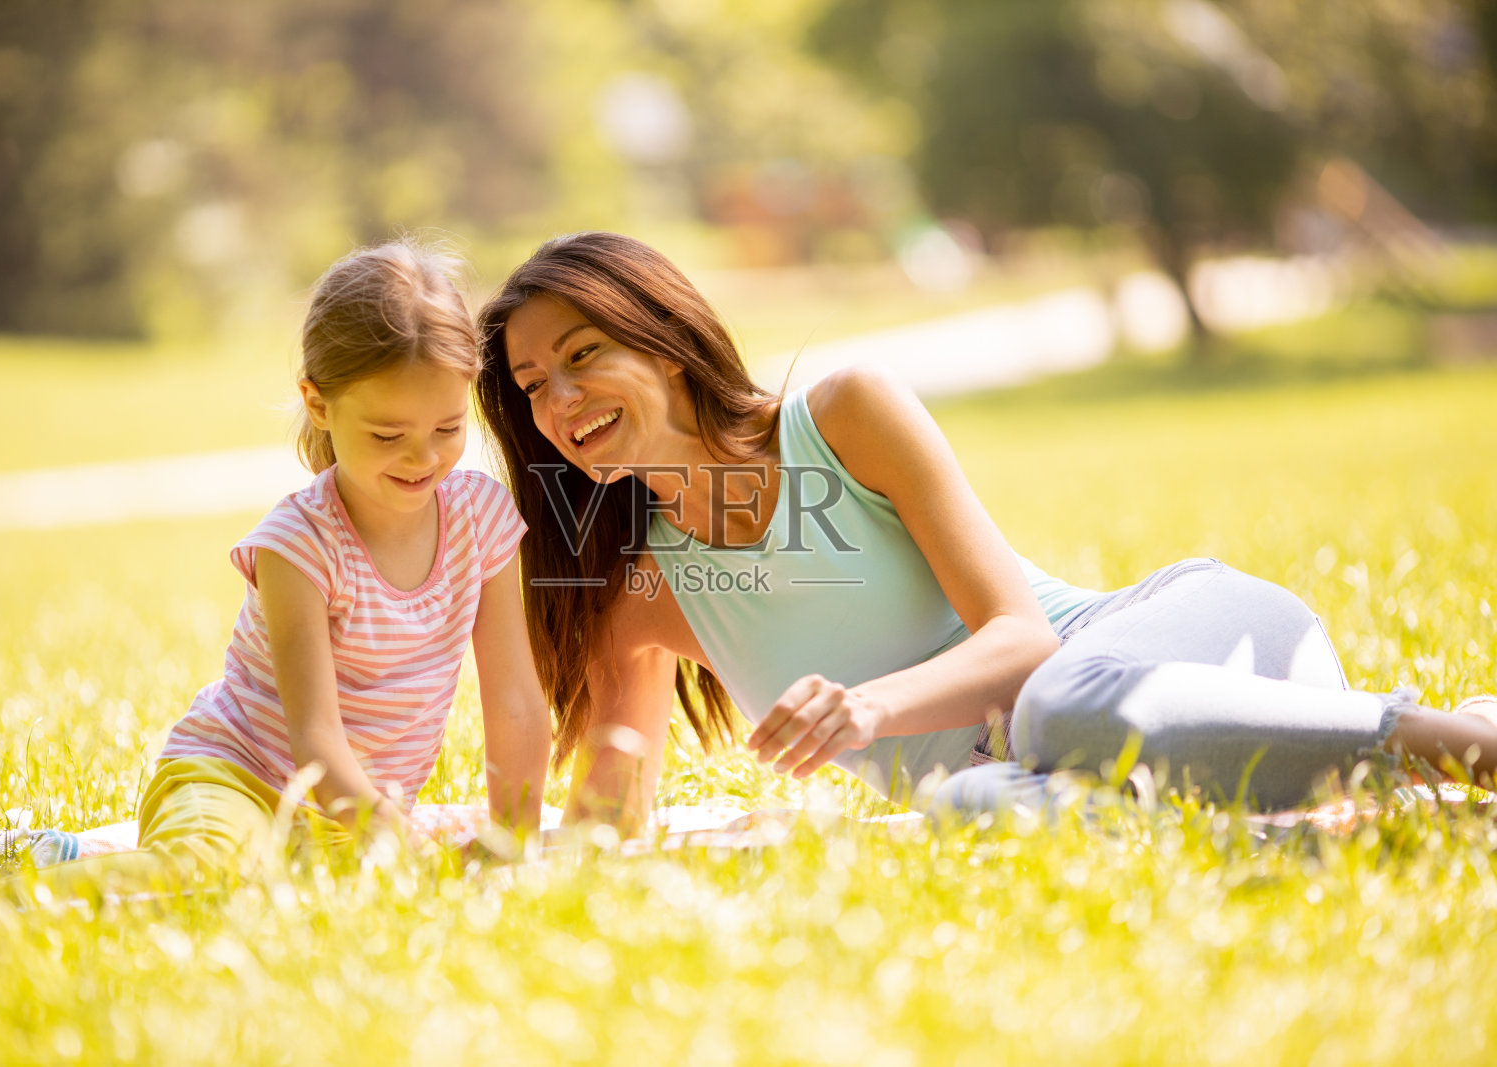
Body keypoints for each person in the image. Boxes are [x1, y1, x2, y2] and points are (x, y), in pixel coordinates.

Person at [473, 230, 1497, 830]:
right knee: (966, 807)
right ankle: (1376, 814)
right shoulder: (638, 588)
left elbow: (1023, 640)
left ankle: (1455, 741)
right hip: (1124, 760)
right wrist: (474, 842)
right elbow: (609, 811)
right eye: (530, 387)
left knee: (1053, 705)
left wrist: (867, 707)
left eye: (582, 354)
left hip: (1196, 647)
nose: (558, 400)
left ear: (662, 341)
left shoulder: (841, 415)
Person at [30, 242, 551, 897]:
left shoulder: (481, 518)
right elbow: (315, 736)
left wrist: (515, 840)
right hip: (237, 778)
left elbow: (516, 702)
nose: (424, 458)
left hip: (348, 811)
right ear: (319, 404)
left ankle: (71, 851)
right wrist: (388, 835)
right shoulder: (298, 544)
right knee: (215, 874)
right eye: (388, 435)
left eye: (447, 428)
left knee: (416, 871)